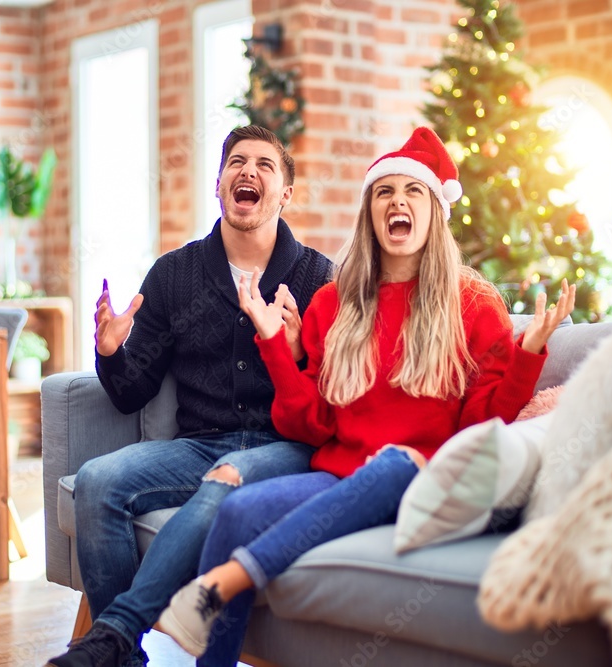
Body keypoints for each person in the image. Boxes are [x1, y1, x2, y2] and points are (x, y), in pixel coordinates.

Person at [156, 126, 576, 665]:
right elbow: (307, 426)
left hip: (424, 483)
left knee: (395, 465)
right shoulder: (335, 304)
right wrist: (274, 347)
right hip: (341, 478)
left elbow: (484, 423)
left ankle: (219, 586)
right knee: (237, 512)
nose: (398, 202)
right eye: (385, 192)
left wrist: (529, 354)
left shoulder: (472, 303)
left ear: (433, 211)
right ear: (370, 213)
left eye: (413, 192)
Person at [46, 125, 334, 667]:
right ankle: (123, 658)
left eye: (265, 165)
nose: (249, 172)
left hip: (286, 447)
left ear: (286, 194)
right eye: (237, 163)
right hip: (200, 443)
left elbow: (336, 397)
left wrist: (296, 353)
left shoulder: (319, 277)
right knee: (96, 481)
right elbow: (132, 394)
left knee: (223, 483)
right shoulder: (175, 274)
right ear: (219, 184)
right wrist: (111, 352)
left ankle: (109, 635)